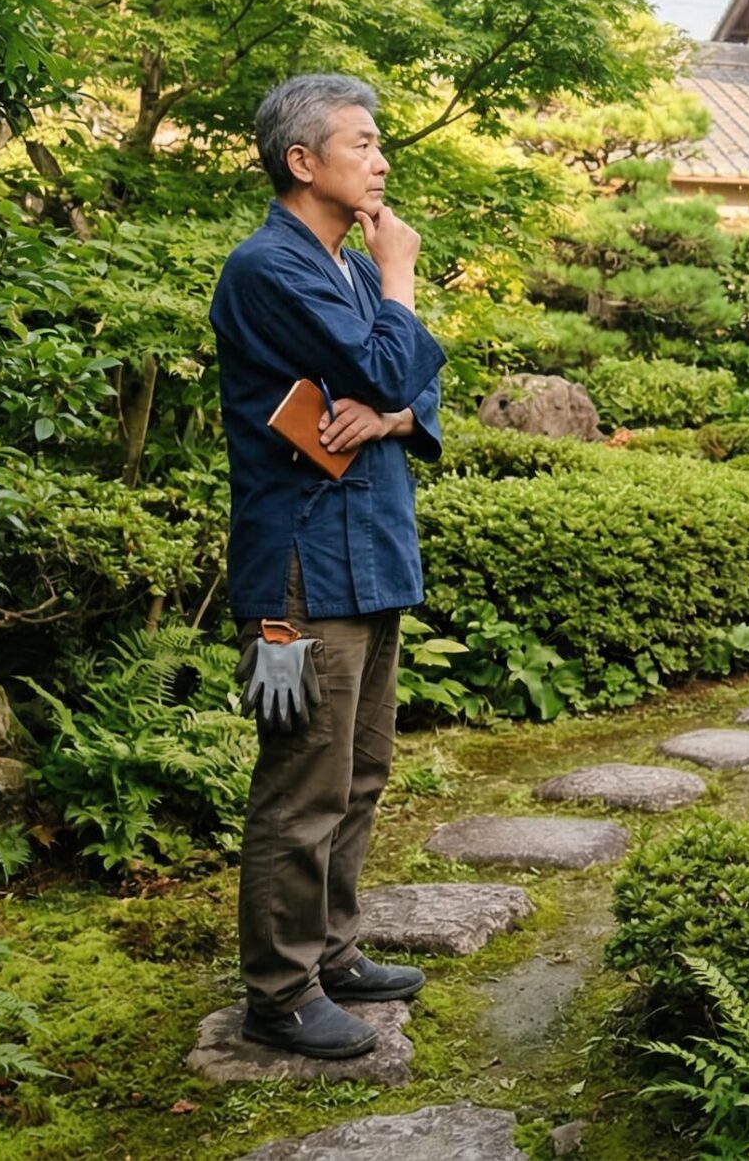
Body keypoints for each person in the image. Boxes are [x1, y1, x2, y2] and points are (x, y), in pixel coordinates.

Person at [210, 73, 446, 1059]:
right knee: (301, 775)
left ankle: (333, 949)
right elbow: (396, 359)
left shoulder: (343, 266)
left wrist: (389, 410)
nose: (382, 159)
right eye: (363, 142)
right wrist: (400, 276)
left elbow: (416, 390)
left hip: (375, 553)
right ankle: (278, 988)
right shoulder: (270, 268)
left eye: (380, 141)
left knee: (362, 768)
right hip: (300, 571)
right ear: (302, 161)